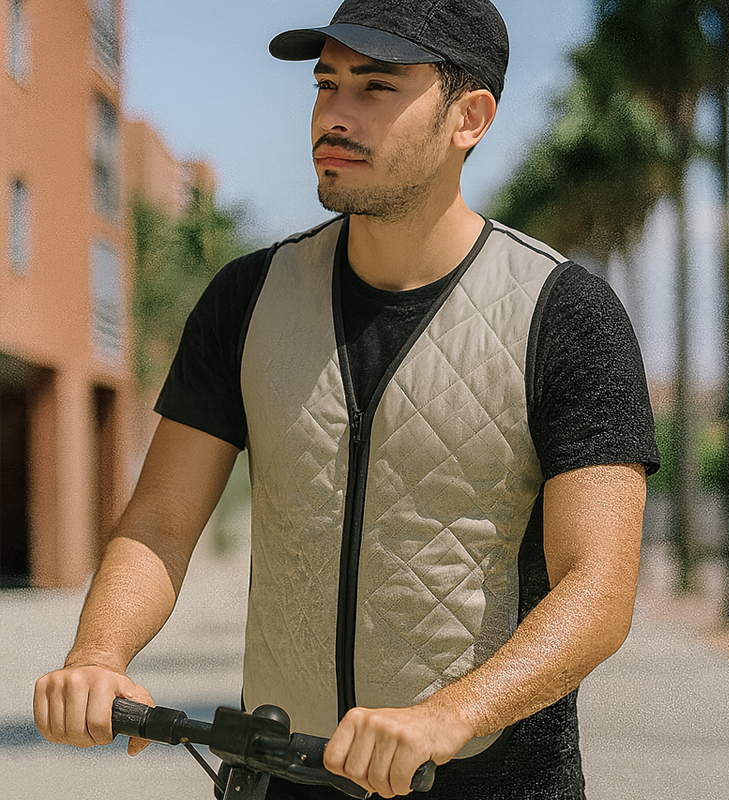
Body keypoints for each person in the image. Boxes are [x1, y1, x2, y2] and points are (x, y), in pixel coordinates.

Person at [34, 0, 660, 797]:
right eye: (326, 84)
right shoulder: (248, 299)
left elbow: (597, 588)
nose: (334, 113)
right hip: (278, 776)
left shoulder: (565, 314)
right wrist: (98, 656)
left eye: (375, 86)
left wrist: (448, 716)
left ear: (469, 117)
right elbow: (159, 522)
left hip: (492, 780)